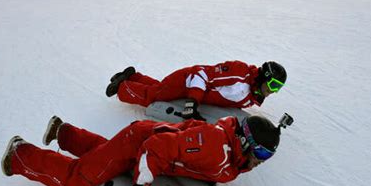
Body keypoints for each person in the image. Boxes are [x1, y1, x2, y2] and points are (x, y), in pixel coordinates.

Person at [1, 115, 281, 186]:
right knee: (78, 178)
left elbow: (195, 158)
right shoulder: (213, 145)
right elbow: (155, 148)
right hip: (140, 143)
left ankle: (63, 132)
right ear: (245, 142)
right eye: (260, 153)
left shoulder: (232, 157)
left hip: (145, 144)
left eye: (268, 157)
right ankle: (19, 155)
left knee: (104, 156)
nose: (261, 162)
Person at [106, 61, 287, 120]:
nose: (274, 91)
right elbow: (201, 75)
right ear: (264, 77)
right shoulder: (239, 74)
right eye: (273, 85)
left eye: (278, 88)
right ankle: (122, 87)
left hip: (194, 91)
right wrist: (192, 103)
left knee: (161, 88)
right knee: (154, 97)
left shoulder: (252, 94)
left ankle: (134, 77)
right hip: (187, 81)